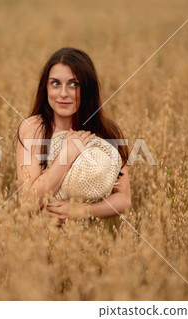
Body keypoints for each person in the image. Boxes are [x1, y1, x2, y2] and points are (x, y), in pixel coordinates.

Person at [16, 47, 131, 224]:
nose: (63, 93)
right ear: (45, 88)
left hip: (85, 244)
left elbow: (124, 199)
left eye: (74, 84)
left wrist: (81, 211)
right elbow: (28, 202)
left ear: (87, 88)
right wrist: (67, 155)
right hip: (37, 244)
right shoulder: (34, 129)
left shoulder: (105, 132)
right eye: (55, 83)